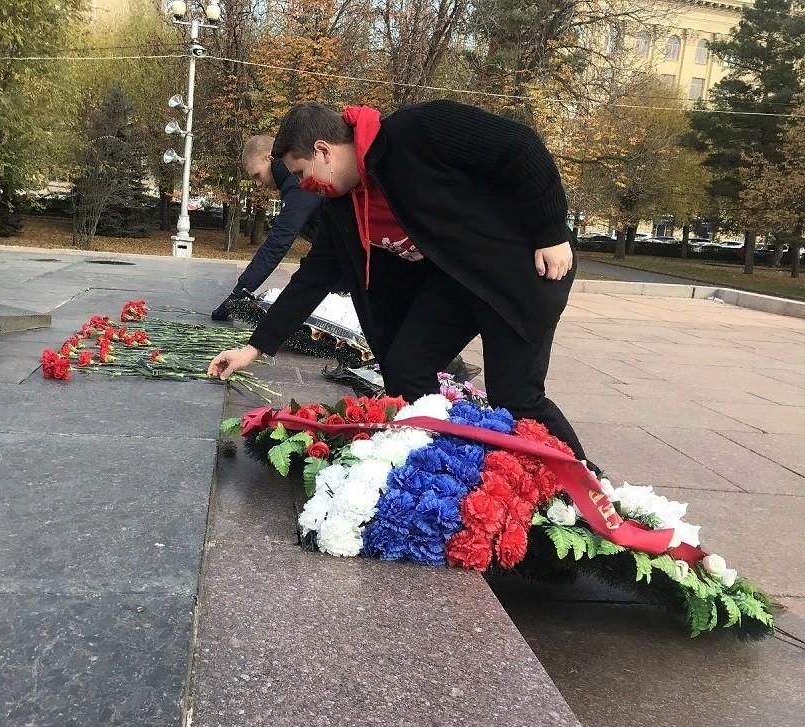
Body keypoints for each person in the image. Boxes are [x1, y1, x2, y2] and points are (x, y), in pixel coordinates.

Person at [208, 100, 591, 463]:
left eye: (301, 173)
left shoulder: (419, 130)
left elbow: (519, 145)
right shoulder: (342, 205)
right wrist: (254, 349)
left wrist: (551, 229)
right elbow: (313, 277)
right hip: (457, 281)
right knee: (405, 368)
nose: (304, 186)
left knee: (517, 399)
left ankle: (593, 493)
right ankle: (441, 466)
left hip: (523, 267)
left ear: (323, 151)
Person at [210, 135, 323, 321]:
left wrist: (240, 292)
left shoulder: (297, 182)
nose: (257, 183)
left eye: (257, 175)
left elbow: (277, 244)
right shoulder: (291, 183)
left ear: (269, 157)